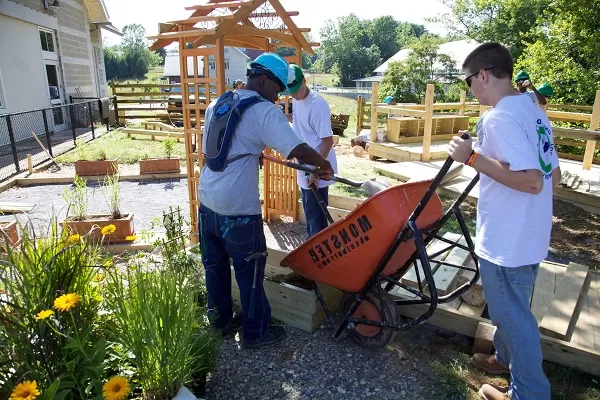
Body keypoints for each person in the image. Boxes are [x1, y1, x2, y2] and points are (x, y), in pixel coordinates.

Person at [448, 42, 561, 400]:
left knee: (514, 320)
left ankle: (528, 393)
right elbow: (552, 176)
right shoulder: (532, 109)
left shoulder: (499, 117)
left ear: (483, 75)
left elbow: (531, 180)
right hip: (530, 233)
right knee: (514, 311)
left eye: (468, 81)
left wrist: (470, 158)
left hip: (507, 240)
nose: (470, 89)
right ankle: (504, 358)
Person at [199, 53, 333, 349]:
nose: (278, 97)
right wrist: (323, 165)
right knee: (251, 274)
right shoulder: (262, 111)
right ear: (262, 79)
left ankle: (219, 321)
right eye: (276, 90)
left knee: (215, 267)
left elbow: (218, 147)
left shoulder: (218, 102)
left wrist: (250, 149)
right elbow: (297, 149)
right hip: (238, 212)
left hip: (207, 203)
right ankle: (255, 333)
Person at [287, 64, 338, 237]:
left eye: (295, 90)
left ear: (304, 81)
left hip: (318, 168)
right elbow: (299, 125)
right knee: (310, 213)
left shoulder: (317, 105)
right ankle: (312, 253)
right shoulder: (296, 98)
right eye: (290, 91)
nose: (293, 95)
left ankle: (317, 259)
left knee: (317, 222)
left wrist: (316, 171)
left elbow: (327, 141)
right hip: (305, 165)